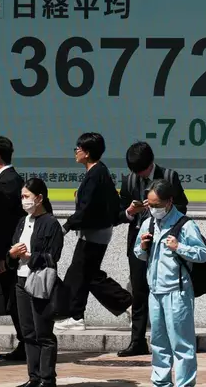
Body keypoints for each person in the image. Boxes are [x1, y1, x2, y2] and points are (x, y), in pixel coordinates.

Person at [133, 179, 206, 387]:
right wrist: (142, 245)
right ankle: (160, 382)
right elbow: (138, 254)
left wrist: (179, 247)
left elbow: (202, 254)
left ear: (169, 202)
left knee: (181, 344)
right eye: (150, 204)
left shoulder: (185, 224)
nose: (153, 209)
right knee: (158, 342)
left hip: (178, 291)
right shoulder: (148, 222)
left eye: (157, 205)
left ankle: (184, 384)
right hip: (155, 290)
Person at [117, 141, 189, 357]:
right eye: (136, 171)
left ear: (151, 163)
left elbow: (183, 206)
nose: (139, 174)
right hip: (140, 243)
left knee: (165, 292)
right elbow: (118, 214)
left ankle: (168, 339)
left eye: (143, 170)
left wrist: (161, 207)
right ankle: (137, 341)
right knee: (138, 292)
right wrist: (129, 211)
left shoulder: (168, 176)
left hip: (165, 244)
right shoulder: (129, 180)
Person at [54, 132, 132, 331]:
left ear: (87, 153)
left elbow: (87, 208)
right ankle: (128, 305)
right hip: (96, 232)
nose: (76, 152)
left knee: (80, 274)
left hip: (94, 234)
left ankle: (77, 316)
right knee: (87, 275)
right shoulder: (99, 172)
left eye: (78, 149)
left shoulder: (96, 174)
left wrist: (67, 225)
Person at [8, 178, 64, 387]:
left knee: (43, 332)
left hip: (40, 281)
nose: (23, 201)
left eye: (26, 197)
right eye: (22, 197)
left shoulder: (51, 223)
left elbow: (53, 256)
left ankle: (47, 378)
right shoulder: (23, 221)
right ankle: (34, 377)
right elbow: (12, 248)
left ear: (39, 198)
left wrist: (30, 256)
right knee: (28, 332)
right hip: (21, 280)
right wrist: (12, 254)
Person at [0, 136, 27, 361]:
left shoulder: (6, 183)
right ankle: (24, 343)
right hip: (7, 252)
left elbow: (1, 225)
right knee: (11, 298)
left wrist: (0, 256)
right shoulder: (11, 179)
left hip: (5, 253)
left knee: (5, 298)